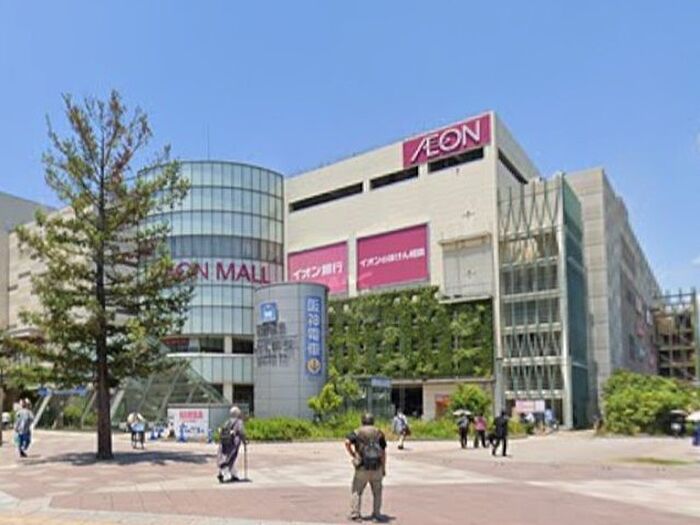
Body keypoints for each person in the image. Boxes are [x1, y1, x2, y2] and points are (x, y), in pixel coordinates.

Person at [345, 412, 387, 522]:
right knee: (377, 492)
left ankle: (355, 514)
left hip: (362, 466)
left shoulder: (357, 432)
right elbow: (383, 452)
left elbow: (347, 442)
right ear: (373, 421)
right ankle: (376, 515)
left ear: (362, 421)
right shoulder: (379, 433)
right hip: (376, 466)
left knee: (357, 490)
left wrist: (353, 454)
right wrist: (383, 468)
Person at [217, 406, 246, 483]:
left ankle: (234, 475)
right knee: (231, 458)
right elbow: (241, 432)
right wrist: (244, 441)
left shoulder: (227, 421)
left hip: (225, 442)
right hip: (233, 442)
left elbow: (223, 430)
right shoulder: (239, 422)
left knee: (228, 458)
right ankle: (222, 473)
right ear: (237, 413)